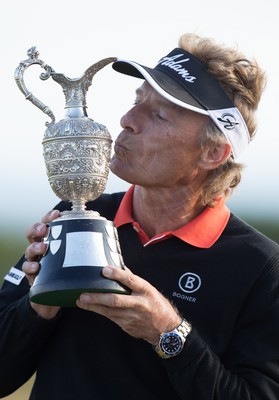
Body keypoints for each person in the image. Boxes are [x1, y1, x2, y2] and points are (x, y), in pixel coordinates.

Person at [0, 33, 279, 400]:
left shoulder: (261, 268)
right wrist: (40, 302)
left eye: (158, 114)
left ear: (212, 152)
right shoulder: (75, 215)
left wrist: (168, 331)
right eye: (137, 101)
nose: (127, 120)